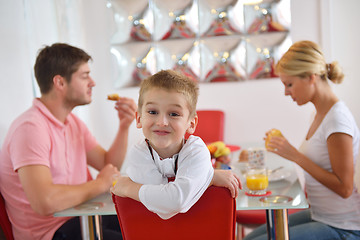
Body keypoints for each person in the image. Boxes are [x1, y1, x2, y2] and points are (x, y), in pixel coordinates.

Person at [0, 43, 137, 240]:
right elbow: (44, 202)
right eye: (84, 76)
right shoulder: (30, 129)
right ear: (60, 83)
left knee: (145, 224)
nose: (93, 82)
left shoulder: (72, 122)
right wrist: (100, 184)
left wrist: (124, 126)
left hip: (81, 216)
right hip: (51, 232)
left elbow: (109, 165)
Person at [244, 40, 360, 240]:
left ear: (310, 78)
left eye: (289, 84)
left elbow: (345, 188)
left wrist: (295, 156)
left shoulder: (337, 120)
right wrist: (282, 150)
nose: (286, 92)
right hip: (319, 215)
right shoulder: (320, 114)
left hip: (344, 227)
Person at [111, 69, 241, 219]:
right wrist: (206, 179)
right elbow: (163, 207)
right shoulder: (139, 153)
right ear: (139, 119)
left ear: (191, 123)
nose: (162, 122)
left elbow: (174, 201)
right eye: (152, 112)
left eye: (174, 114)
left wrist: (127, 187)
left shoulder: (196, 150)